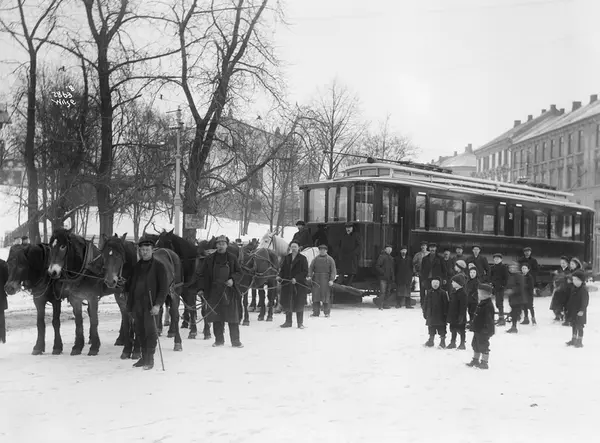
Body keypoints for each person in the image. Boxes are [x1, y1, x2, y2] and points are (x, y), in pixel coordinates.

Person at [125, 236, 170, 370]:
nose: (144, 252)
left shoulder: (159, 266)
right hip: (137, 305)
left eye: (147, 250)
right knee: (139, 331)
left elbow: (164, 288)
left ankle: (150, 359)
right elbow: (130, 285)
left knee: (150, 332)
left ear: (152, 250)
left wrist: (158, 305)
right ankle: (143, 357)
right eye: (142, 250)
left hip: (151, 305)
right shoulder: (136, 267)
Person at [201, 235, 243, 348]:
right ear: (216, 245)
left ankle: (236, 341)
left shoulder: (232, 258)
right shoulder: (209, 259)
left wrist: (232, 279)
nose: (221, 246)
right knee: (217, 318)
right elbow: (203, 275)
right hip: (214, 292)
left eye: (223, 244)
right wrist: (201, 289)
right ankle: (219, 340)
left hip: (229, 292)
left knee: (233, 318)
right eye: (219, 244)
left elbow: (239, 272)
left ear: (226, 245)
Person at [277, 241, 309, 328]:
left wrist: (296, 278)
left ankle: (300, 323)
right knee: (287, 303)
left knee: (299, 303)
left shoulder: (303, 258)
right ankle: (288, 322)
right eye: (292, 247)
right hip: (287, 284)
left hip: (298, 285)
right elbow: (282, 270)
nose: (294, 248)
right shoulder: (287, 258)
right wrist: (279, 276)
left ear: (299, 248)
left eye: (295, 247)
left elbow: (305, 271)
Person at [466, 283, 495, 369]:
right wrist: (472, 325)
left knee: (483, 346)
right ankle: (475, 360)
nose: (478, 295)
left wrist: (487, 330)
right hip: (478, 329)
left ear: (485, 295)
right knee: (475, 344)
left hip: (484, 330)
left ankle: (484, 362)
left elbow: (489, 320)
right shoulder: (482, 303)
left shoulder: (488, 305)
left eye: (479, 293)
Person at [308, 244, 337, 317]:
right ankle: (316, 312)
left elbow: (333, 270)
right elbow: (311, 268)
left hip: (325, 280)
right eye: (321, 250)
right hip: (316, 280)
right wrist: (309, 276)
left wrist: (331, 280)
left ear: (326, 251)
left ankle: (327, 312)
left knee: (325, 297)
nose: (322, 251)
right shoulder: (315, 259)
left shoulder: (330, 259)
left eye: (324, 250)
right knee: (315, 297)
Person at [423, 276, 449, 348]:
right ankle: (431, 341)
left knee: (442, 329)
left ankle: (442, 342)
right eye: (433, 283)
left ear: (439, 284)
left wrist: (446, 314)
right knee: (431, 328)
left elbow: (446, 304)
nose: (435, 285)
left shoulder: (443, 293)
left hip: (441, 315)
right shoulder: (429, 292)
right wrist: (424, 312)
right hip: (431, 314)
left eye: (437, 283)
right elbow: (425, 303)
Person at [565, 270, 589, 348]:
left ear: (581, 280)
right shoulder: (573, 288)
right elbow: (571, 299)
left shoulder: (583, 290)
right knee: (574, 325)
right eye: (573, 279)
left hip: (580, 312)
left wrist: (582, 310)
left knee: (580, 326)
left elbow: (585, 301)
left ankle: (579, 341)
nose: (574, 281)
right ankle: (573, 339)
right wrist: (568, 308)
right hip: (573, 311)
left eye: (576, 280)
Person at [446, 274, 467, 350]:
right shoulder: (453, 292)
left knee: (461, 330)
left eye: (453, 282)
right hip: (453, 315)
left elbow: (463, 306)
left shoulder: (463, 293)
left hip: (460, 315)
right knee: (453, 329)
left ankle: (462, 343)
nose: (452, 283)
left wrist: (461, 316)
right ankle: (453, 342)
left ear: (458, 283)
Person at [419, 242, 442, 310]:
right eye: (431, 247)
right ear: (429, 248)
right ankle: (425, 305)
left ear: (436, 248)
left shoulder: (440, 258)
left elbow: (443, 269)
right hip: (427, 278)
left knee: (436, 292)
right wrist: (423, 279)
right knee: (427, 292)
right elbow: (422, 270)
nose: (432, 249)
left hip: (436, 279)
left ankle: (436, 305)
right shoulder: (425, 258)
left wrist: (443, 278)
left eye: (433, 247)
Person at [337, 222, 361, 286]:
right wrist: (340, 254)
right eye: (347, 227)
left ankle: (348, 285)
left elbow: (359, 246)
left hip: (352, 258)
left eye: (350, 227)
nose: (348, 229)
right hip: (344, 257)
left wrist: (354, 253)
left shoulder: (356, 235)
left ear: (352, 228)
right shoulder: (343, 235)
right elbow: (339, 245)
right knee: (342, 271)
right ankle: (340, 284)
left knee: (351, 272)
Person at [490, 253, 509, 326]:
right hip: (494, 287)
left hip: (500, 288)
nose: (496, 260)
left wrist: (503, 285)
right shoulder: (492, 267)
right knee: (496, 303)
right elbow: (490, 276)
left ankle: (501, 319)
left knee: (499, 303)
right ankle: (499, 317)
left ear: (501, 259)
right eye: (495, 259)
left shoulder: (504, 267)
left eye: (498, 259)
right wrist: (491, 284)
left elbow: (506, 277)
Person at [549, 256, 570, 322]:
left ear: (567, 263)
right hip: (558, 289)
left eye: (564, 263)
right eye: (561, 263)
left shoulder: (568, 271)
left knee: (562, 304)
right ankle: (558, 315)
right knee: (555, 303)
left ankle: (562, 315)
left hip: (564, 290)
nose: (562, 264)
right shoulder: (559, 270)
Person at [376, 244, 395, 310]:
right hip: (383, 278)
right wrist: (383, 273)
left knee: (388, 292)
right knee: (383, 292)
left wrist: (393, 277)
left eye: (390, 249)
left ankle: (386, 305)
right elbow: (377, 266)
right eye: (388, 249)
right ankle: (380, 305)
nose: (389, 250)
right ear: (385, 249)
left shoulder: (391, 258)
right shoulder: (382, 256)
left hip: (389, 278)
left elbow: (392, 269)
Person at [0, 258, 8, 343]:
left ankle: (2, 339)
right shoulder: (3, 264)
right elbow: (7, 280)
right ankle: (2, 338)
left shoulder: (2, 264)